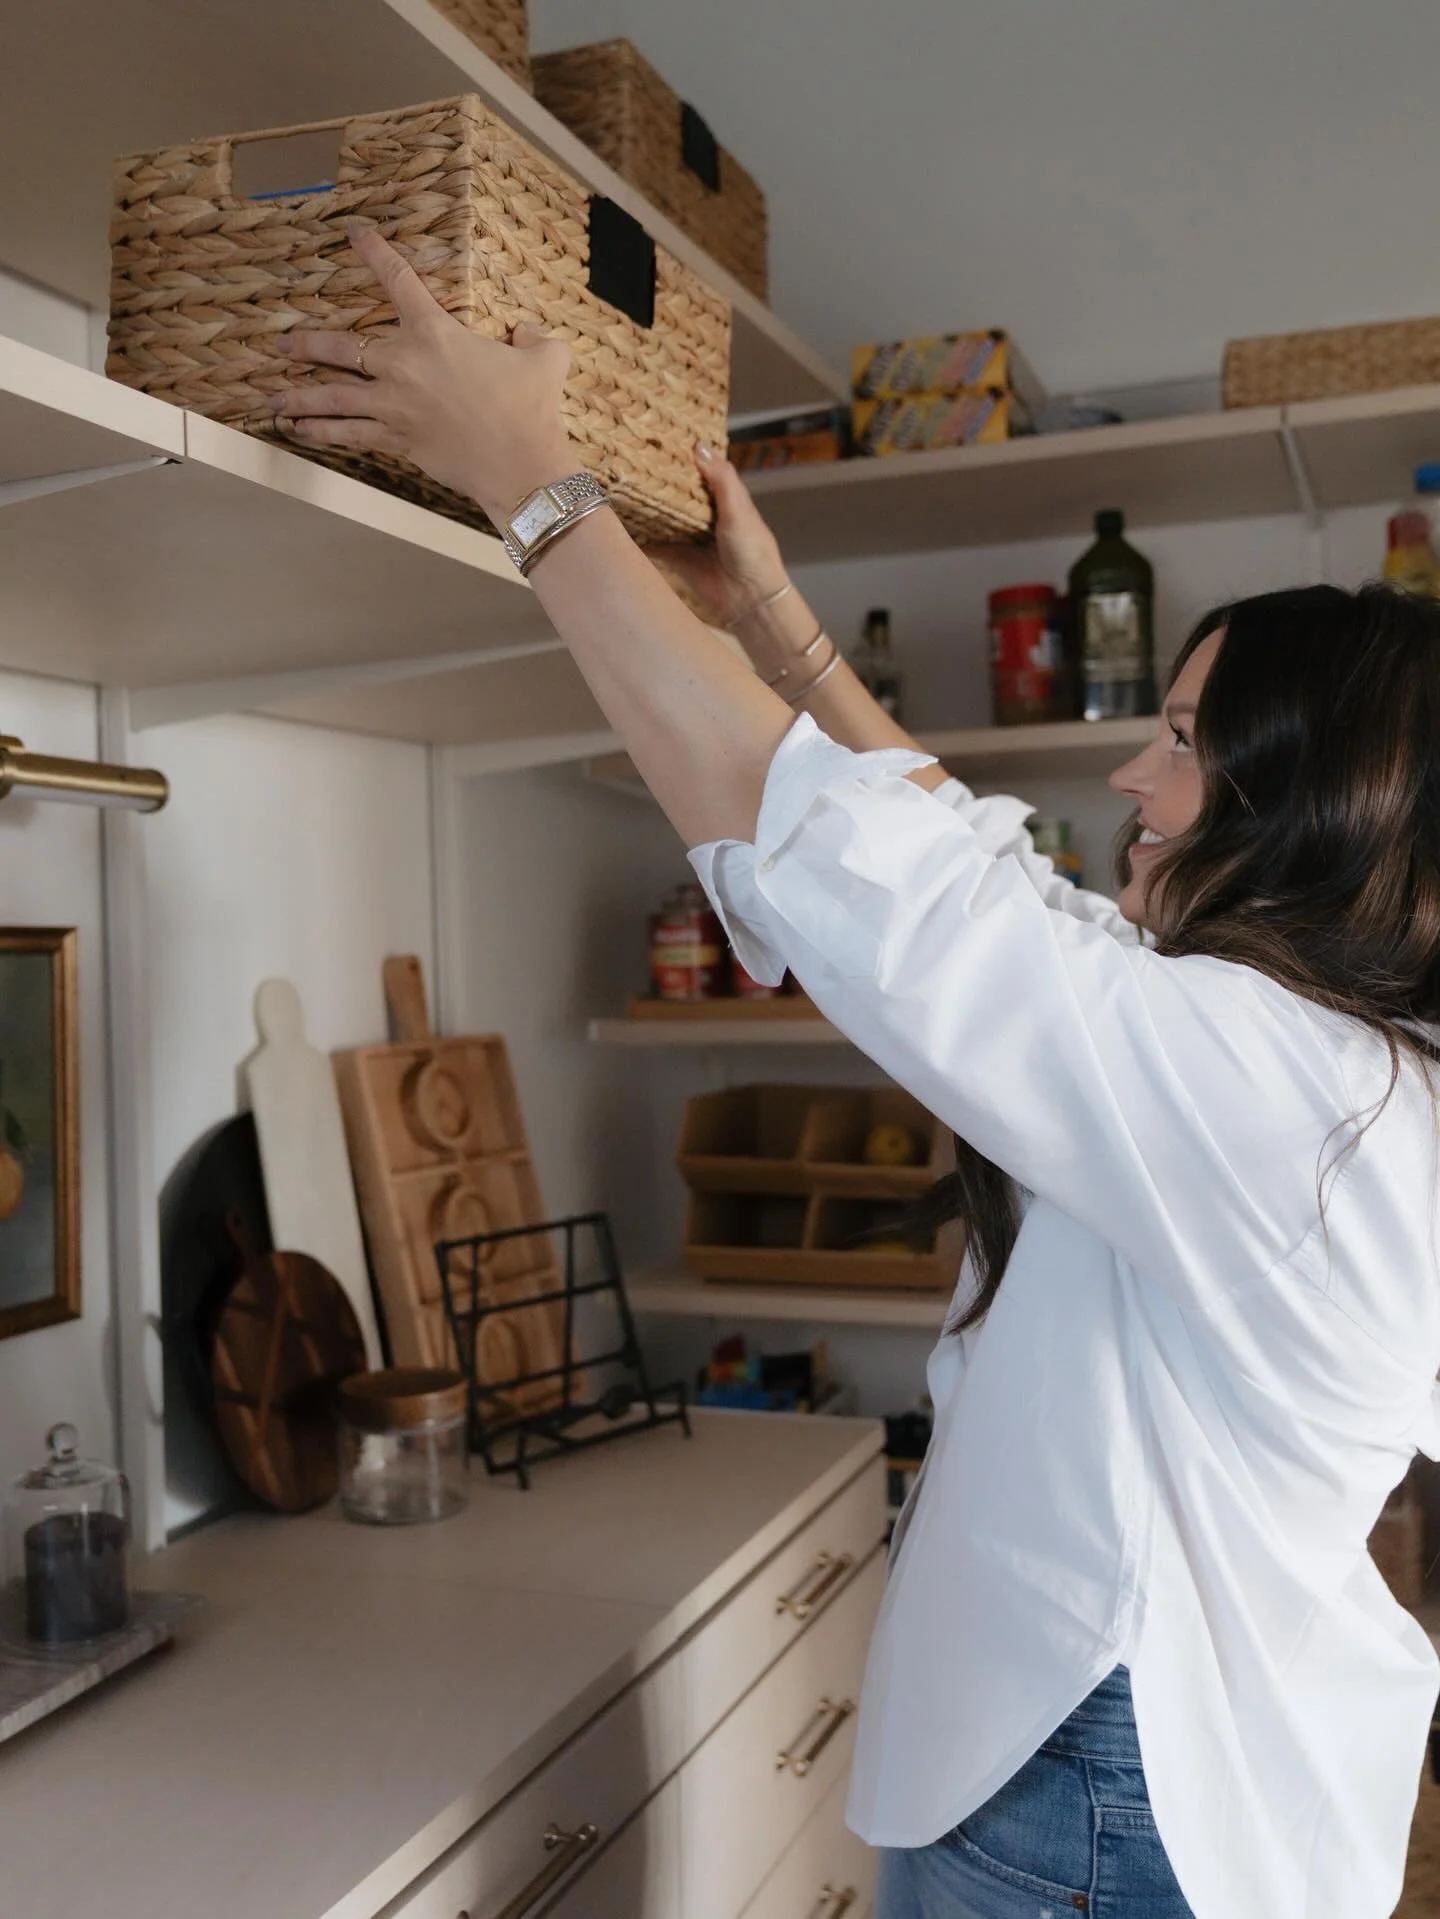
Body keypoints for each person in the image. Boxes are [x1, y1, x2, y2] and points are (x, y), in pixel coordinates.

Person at [273, 229, 1440, 1919]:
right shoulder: (1322, 1059)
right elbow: (995, 896)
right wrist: (777, 629)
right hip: (1119, 1760)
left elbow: (918, 903)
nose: (1129, 763)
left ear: (1311, 803)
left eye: (1183, 740)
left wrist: (534, 484)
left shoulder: (1279, 1086)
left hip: (1107, 1786)